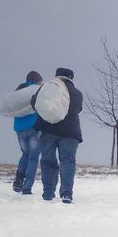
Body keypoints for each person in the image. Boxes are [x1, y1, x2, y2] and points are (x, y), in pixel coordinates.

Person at [36, 67, 84, 203]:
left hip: (48, 130)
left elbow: (35, 104)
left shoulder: (45, 88)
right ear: (71, 78)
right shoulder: (77, 93)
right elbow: (78, 109)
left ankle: (48, 193)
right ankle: (66, 193)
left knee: (47, 161)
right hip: (70, 132)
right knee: (68, 161)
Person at [12, 70, 43, 194]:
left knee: (25, 154)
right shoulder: (36, 91)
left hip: (19, 129)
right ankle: (27, 187)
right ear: (37, 81)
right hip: (34, 128)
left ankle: (18, 181)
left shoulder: (18, 91)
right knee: (33, 157)